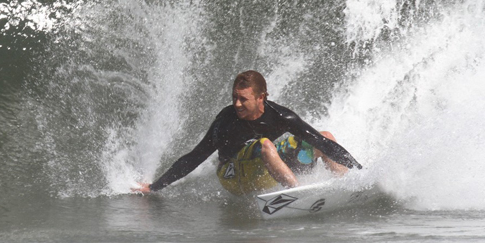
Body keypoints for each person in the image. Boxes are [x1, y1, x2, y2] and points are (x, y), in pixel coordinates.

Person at [132, 70, 361, 196]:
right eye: (235, 98)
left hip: (263, 163)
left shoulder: (281, 116)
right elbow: (196, 156)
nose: (238, 104)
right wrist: (154, 187)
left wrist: (361, 172)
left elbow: (322, 142)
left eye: (244, 99)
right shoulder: (226, 120)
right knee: (265, 145)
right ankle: (297, 196)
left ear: (261, 97)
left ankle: (348, 187)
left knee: (325, 138)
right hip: (232, 173)